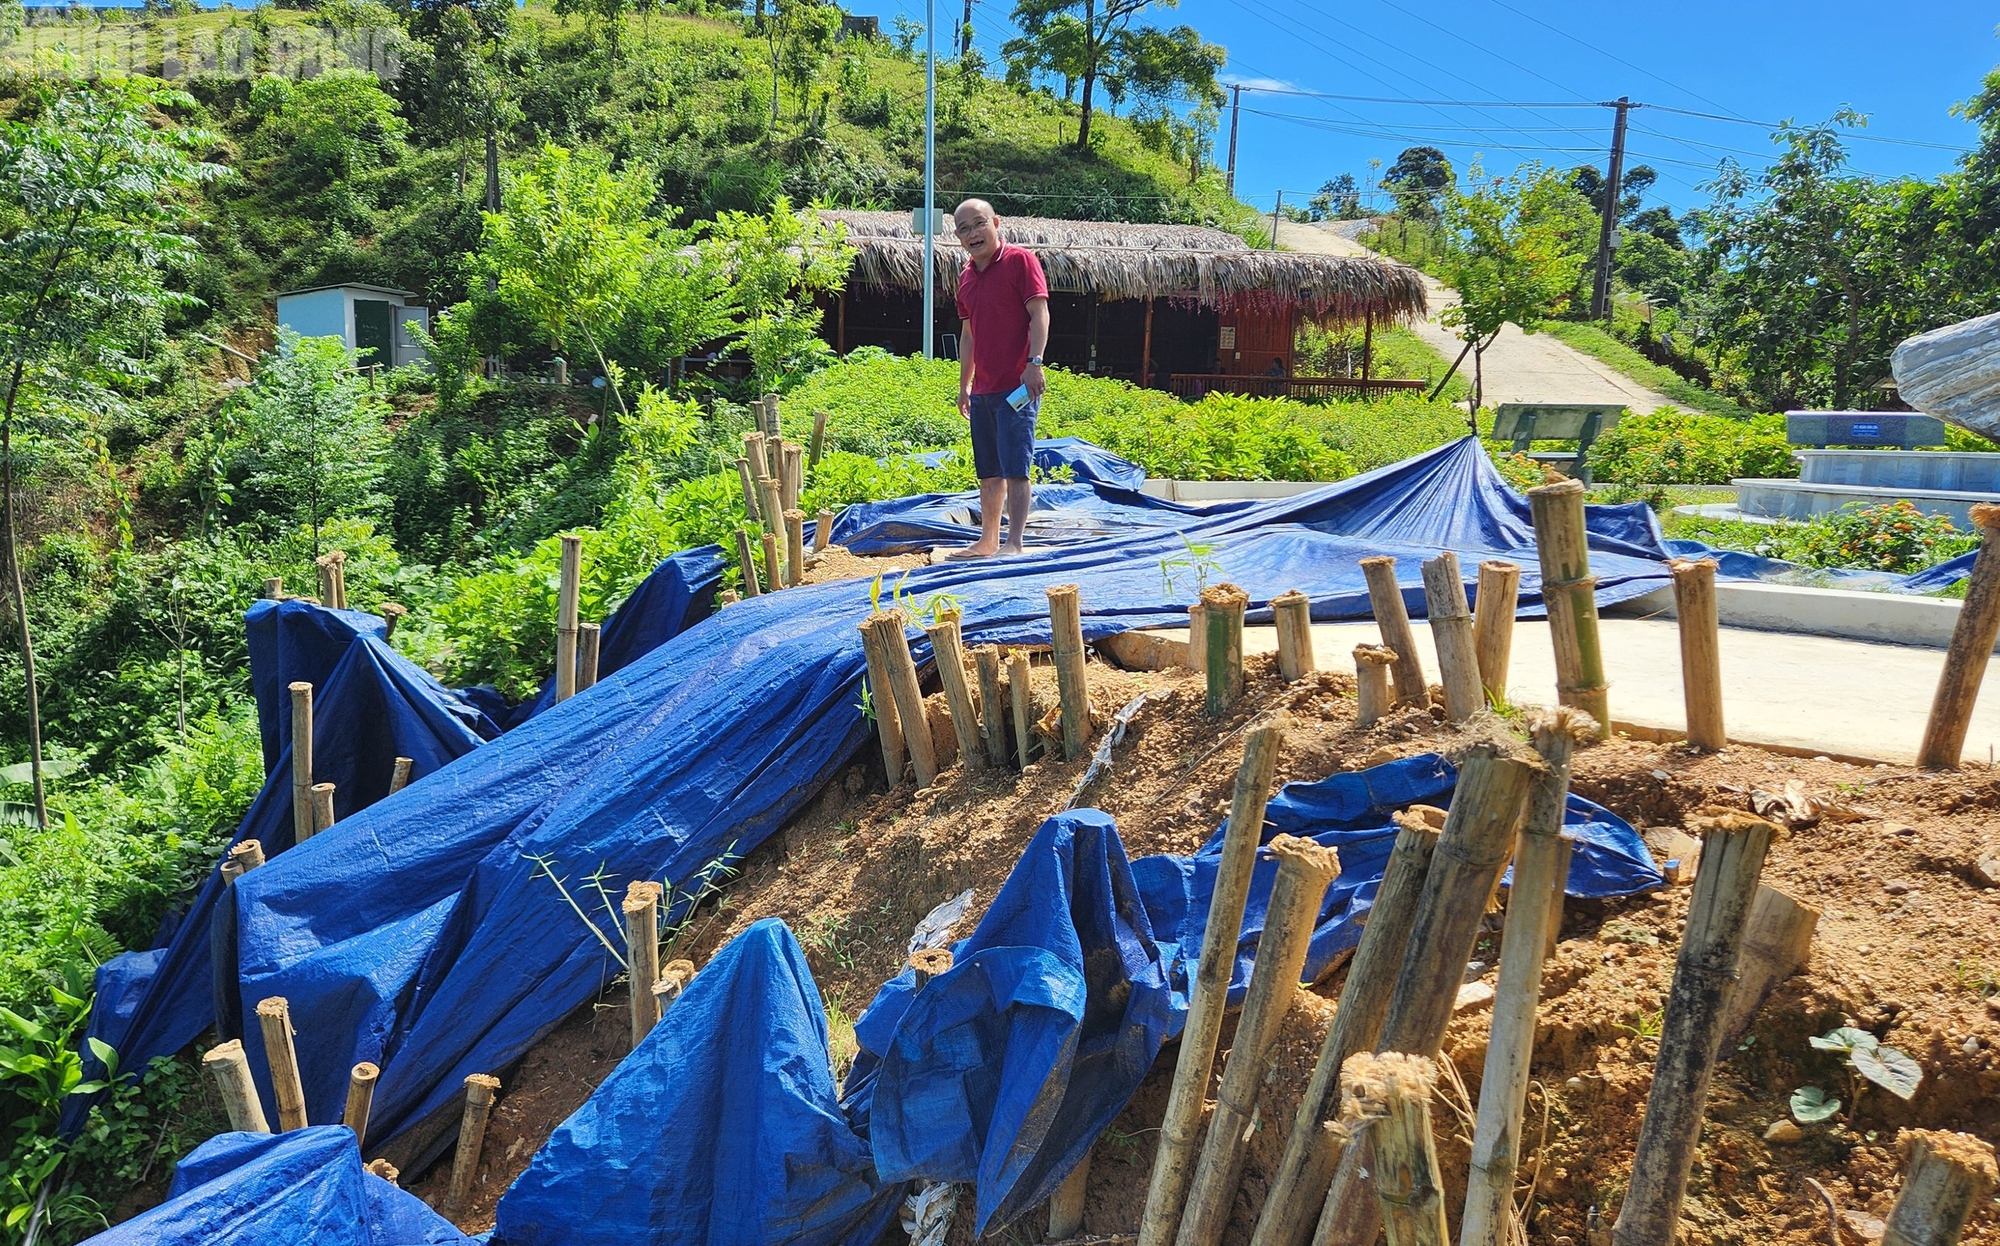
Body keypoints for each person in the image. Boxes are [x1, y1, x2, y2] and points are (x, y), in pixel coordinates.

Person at [948, 198, 1049, 559]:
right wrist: (964, 386)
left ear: (996, 223)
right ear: (958, 236)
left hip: (1018, 387)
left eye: (979, 224)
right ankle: (987, 540)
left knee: (1016, 469)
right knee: (989, 472)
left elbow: (1040, 313)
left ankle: (1015, 543)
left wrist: (1034, 363)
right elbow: (968, 335)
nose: (973, 233)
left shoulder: (1021, 261)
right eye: (964, 228)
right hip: (983, 391)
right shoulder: (965, 276)